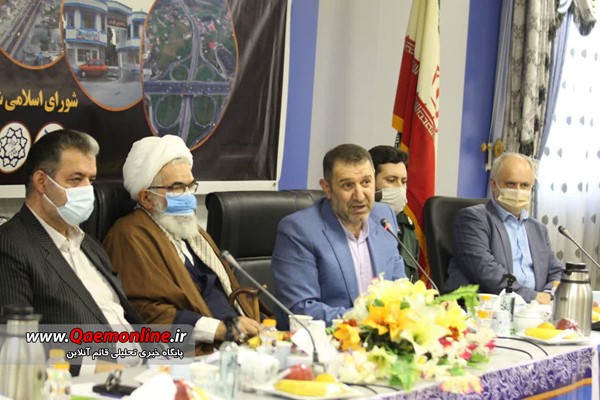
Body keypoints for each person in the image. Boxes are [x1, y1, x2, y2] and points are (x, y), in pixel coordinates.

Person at [0, 129, 143, 373]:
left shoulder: (89, 244)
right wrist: (97, 368)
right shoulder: (10, 246)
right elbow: (16, 341)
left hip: (144, 370)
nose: (88, 190)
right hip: (89, 381)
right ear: (42, 182)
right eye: (76, 180)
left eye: (91, 180)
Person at [103, 135, 261, 354]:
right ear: (146, 198)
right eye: (177, 187)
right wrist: (219, 329)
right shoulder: (129, 234)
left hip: (241, 342)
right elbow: (145, 313)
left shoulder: (194, 233)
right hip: (198, 353)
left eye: (190, 186)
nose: (188, 196)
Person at [271, 143, 406, 326]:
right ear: (327, 188)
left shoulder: (384, 217)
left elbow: (400, 288)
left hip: (384, 336)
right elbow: (301, 308)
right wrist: (368, 321)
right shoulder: (298, 230)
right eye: (348, 185)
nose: (360, 196)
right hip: (327, 340)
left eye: (366, 182)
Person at [444, 152, 563, 304]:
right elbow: (486, 271)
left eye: (525, 185)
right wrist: (534, 297)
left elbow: (557, 271)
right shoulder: (472, 219)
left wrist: (549, 294)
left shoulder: (538, 229)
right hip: (488, 309)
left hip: (535, 310)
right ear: (493, 185)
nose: (518, 190)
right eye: (511, 184)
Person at [369, 145, 419, 282]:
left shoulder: (407, 227)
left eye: (403, 181)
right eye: (391, 180)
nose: (400, 188)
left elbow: (412, 281)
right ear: (369, 182)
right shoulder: (357, 225)